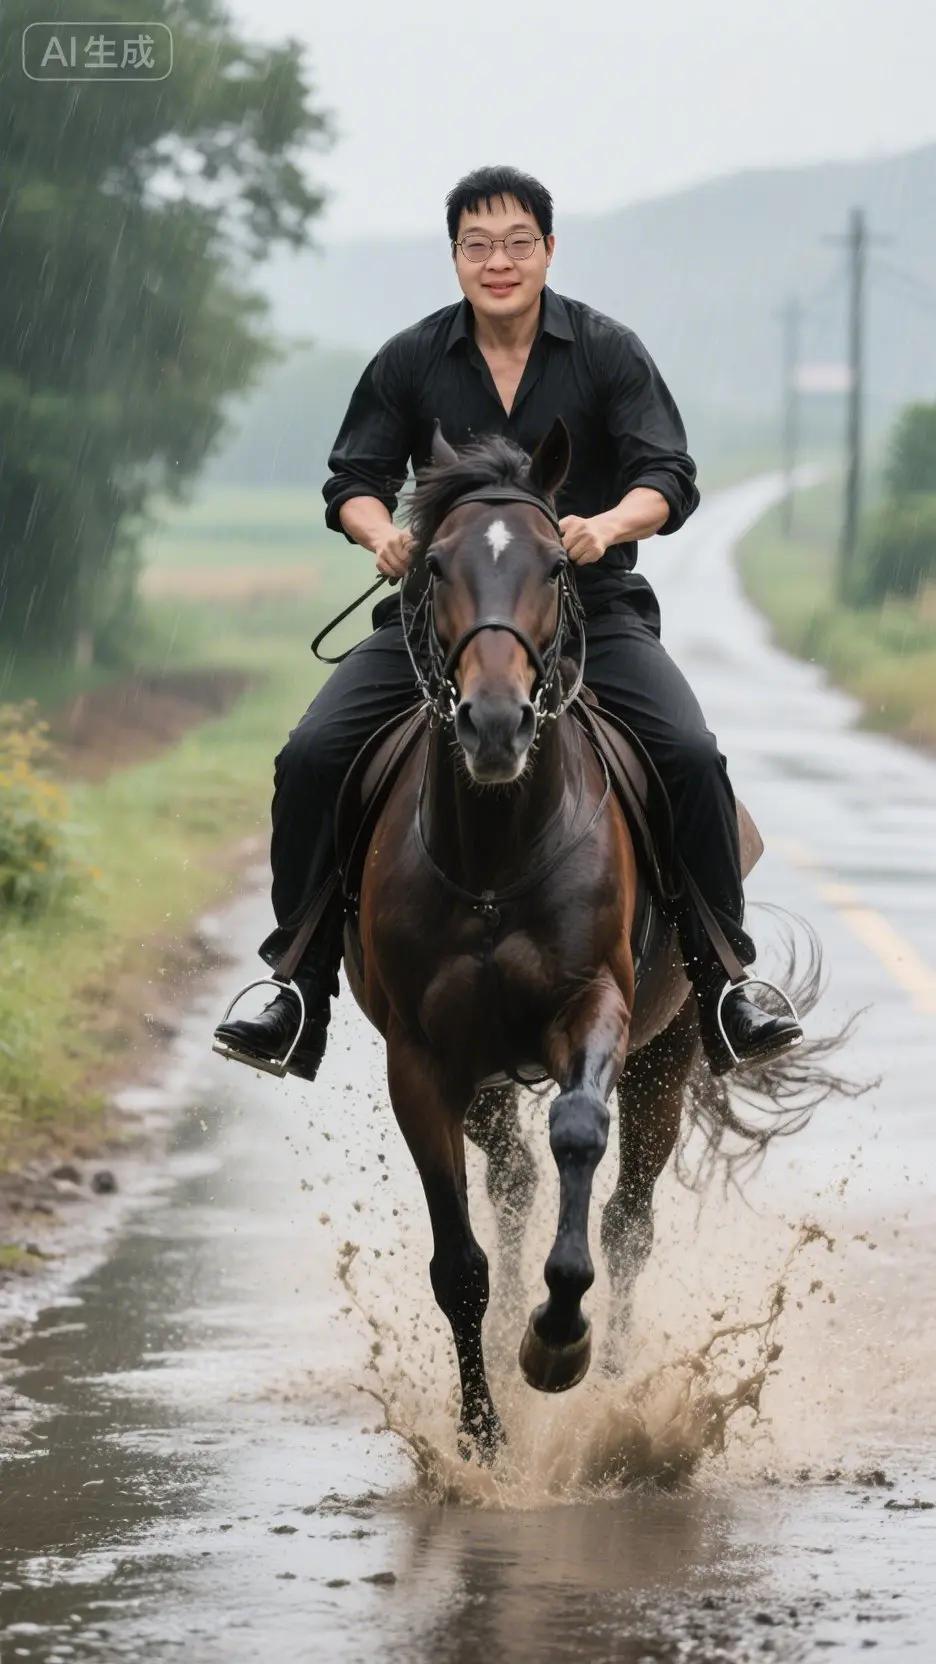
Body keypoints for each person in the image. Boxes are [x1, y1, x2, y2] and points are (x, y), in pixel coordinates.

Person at [214, 164, 802, 1082]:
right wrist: (385, 538)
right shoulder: (412, 358)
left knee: (690, 755)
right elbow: (353, 482)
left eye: (517, 243)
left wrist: (606, 526)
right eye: (478, 245)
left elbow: (669, 475)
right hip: (441, 619)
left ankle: (725, 982)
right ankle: (298, 985)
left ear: (548, 250)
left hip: (587, 613)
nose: (499, 261)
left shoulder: (607, 352)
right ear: (454, 256)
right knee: (311, 753)